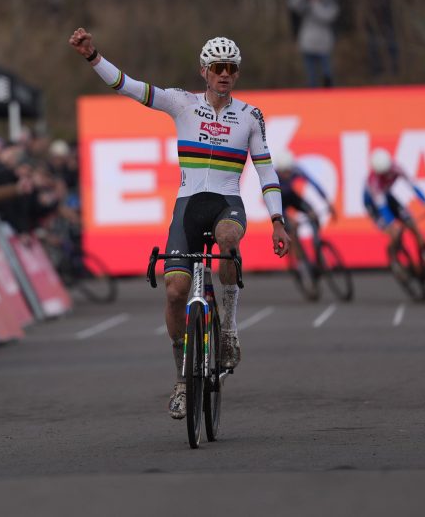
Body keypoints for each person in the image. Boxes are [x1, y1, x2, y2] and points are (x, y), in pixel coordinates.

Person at [69, 27, 290, 420]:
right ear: (204, 71)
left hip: (226, 203)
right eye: (218, 67)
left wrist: (277, 219)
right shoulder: (181, 103)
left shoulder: (250, 116)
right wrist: (92, 56)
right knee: (174, 292)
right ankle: (183, 380)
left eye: (231, 68)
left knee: (228, 239)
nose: (225, 74)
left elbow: (266, 170)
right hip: (188, 207)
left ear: (237, 73)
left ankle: (228, 330)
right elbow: (128, 86)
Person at [363, 148, 425, 264]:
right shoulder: (374, 182)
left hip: (388, 197)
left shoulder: (396, 168)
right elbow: (382, 207)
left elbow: (413, 186)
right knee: (395, 232)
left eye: (388, 171)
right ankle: (395, 256)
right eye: (383, 174)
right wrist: (391, 224)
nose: (387, 175)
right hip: (374, 206)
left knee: (413, 225)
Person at [275, 149, 336, 273]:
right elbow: (275, 205)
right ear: (279, 171)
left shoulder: (296, 170)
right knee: (291, 230)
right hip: (279, 202)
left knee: (313, 215)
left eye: (289, 171)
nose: (288, 174)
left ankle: (317, 248)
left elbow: (314, 184)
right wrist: (289, 219)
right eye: (285, 172)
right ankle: (301, 262)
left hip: (291, 196)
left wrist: (328, 203)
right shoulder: (273, 178)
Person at [287, 0, 339, 87]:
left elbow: (327, 17)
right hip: (308, 45)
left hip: (324, 45)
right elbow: (291, 3)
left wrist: (315, 2)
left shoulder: (328, 3)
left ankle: (329, 95)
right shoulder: (306, 4)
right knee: (311, 77)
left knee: (327, 75)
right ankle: (313, 94)